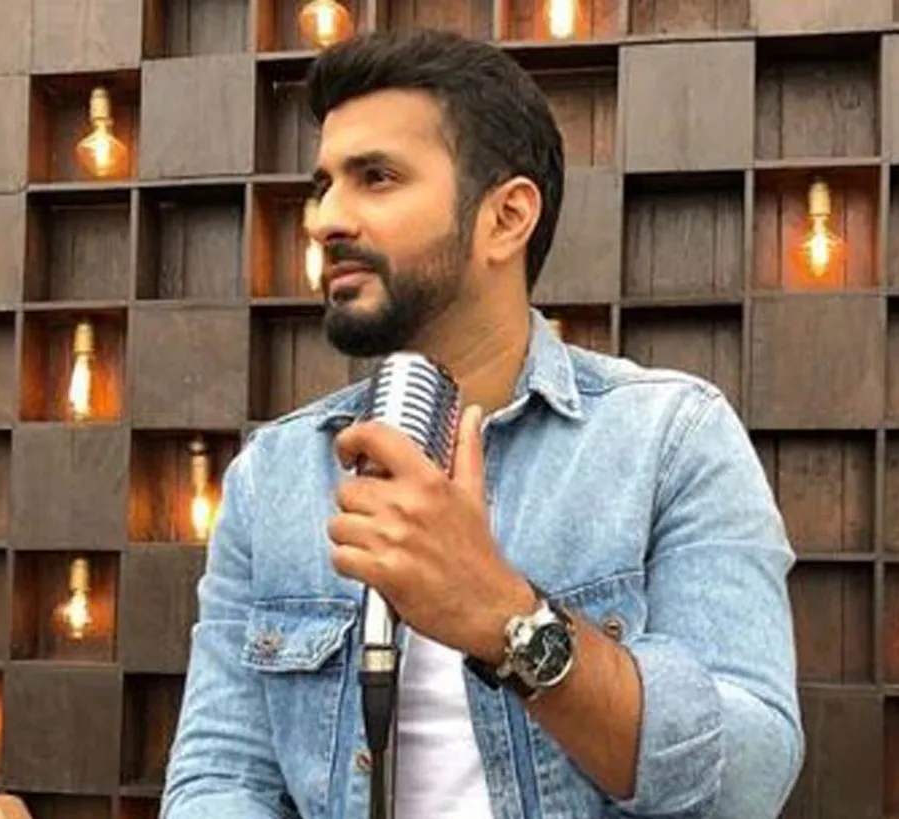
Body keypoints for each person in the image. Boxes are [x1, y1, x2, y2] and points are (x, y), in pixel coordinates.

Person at [160, 27, 804, 819]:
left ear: (506, 217)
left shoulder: (670, 439)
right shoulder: (275, 475)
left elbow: (751, 773)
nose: (325, 218)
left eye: (376, 178)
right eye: (323, 185)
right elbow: (218, 781)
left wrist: (508, 617)